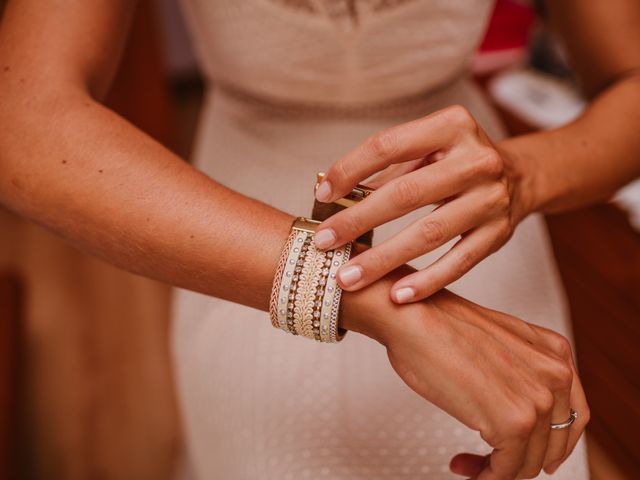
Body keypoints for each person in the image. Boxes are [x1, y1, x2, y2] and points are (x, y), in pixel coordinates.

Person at [0, 0, 638, 478]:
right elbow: (22, 122)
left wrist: (525, 174)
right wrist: (365, 299)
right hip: (228, 230)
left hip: (469, 210)